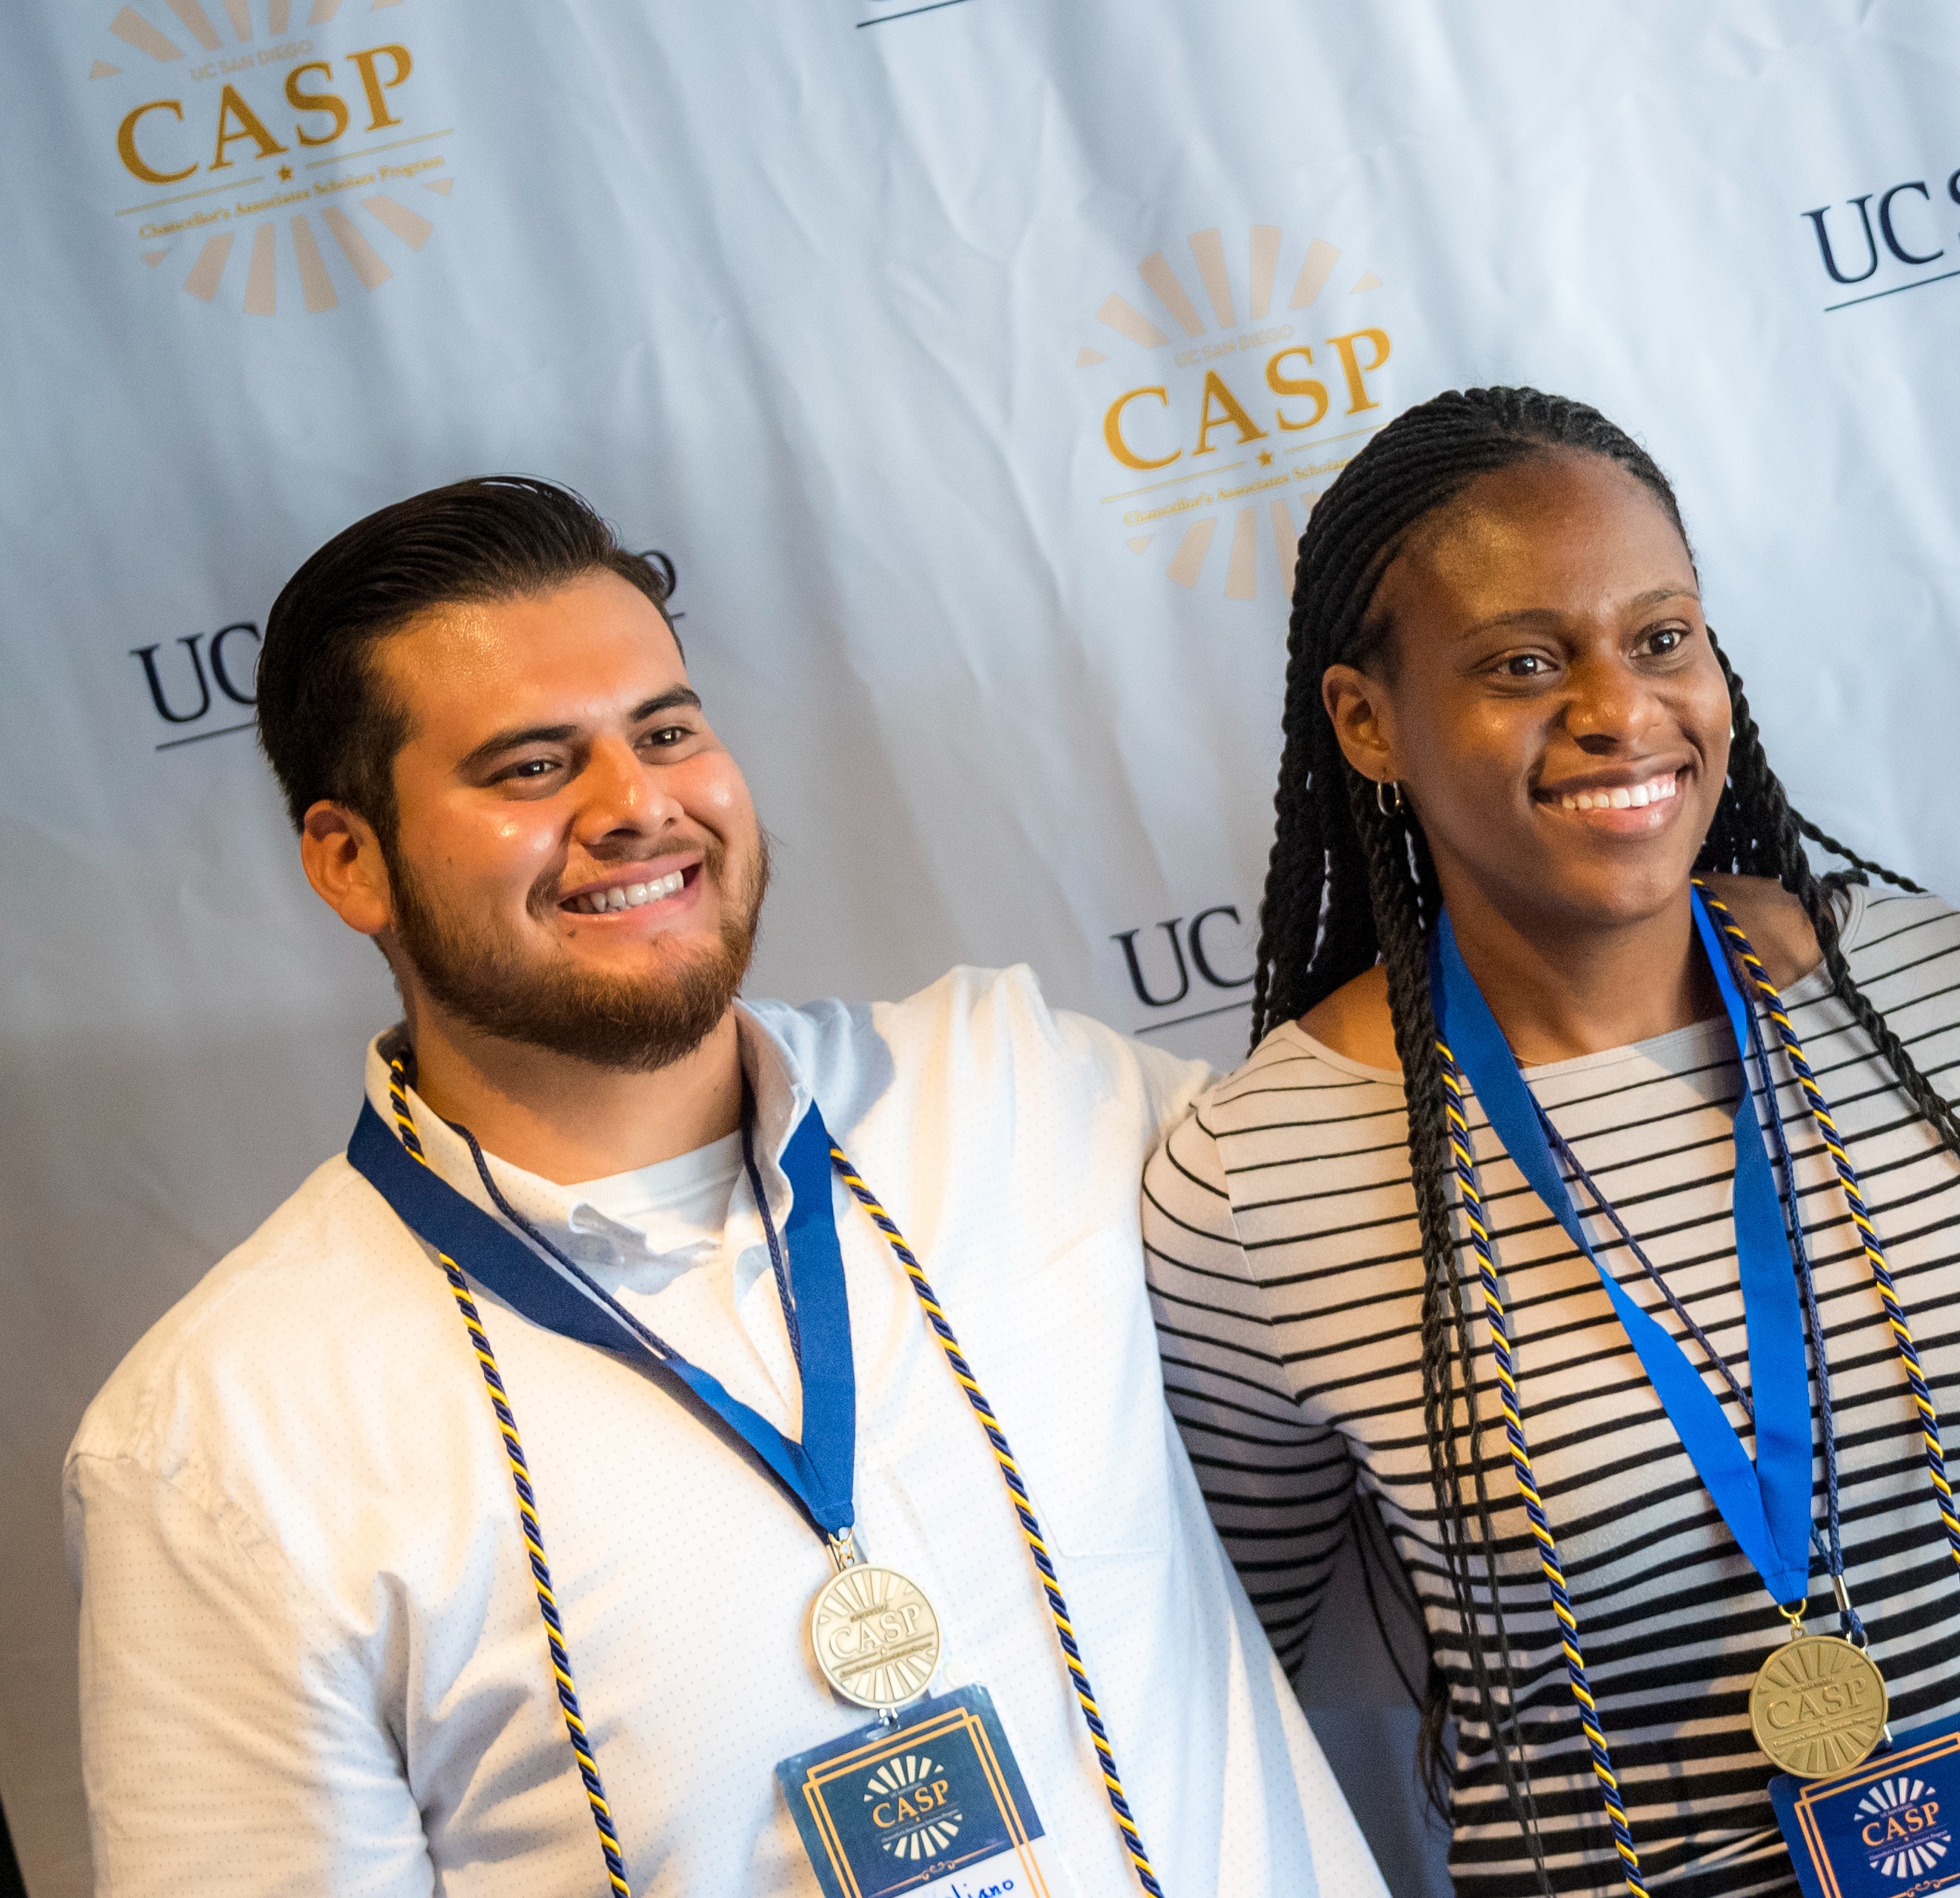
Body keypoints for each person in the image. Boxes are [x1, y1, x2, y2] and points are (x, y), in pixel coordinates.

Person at [64, 477, 1383, 1897]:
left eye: (668, 729)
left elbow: (1449, 1185)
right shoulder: (221, 1438)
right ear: (349, 857)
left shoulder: (1020, 1089)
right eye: (529, 767)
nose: (637, 806)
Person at [1140, 387, 1960, 1898]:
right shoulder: (1258, 1176)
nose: (1621, 711)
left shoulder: (1926, 993)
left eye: (1662, 638)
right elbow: (1222, 1669)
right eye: (1521, 661)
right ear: (1367, 722)